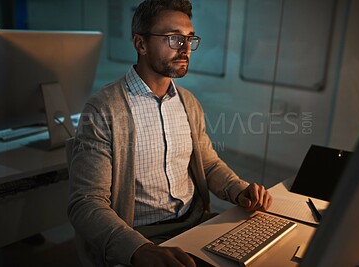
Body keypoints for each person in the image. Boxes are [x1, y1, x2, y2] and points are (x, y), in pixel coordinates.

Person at [67, 0, 272, 266]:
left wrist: (239, 190)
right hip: (141, 236)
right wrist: (139, 250)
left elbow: (208, 164)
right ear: (141, 44)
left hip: (194, 222)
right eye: (174, 38)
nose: (186, 48)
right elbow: (86, 203)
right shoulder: (103, 109)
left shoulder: (188, 102)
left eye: (189, 38)